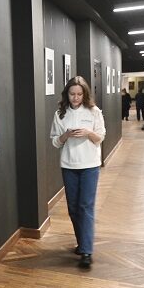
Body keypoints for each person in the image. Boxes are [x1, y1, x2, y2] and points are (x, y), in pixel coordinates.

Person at [51, 76, 106, 269]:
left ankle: (87, 252)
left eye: (79, 94)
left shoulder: (94, 111)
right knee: (73, 208)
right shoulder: (60, 114)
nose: (75, 98)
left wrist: (88, 133)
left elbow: (100, 138)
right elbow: (55, 142)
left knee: (85, 206)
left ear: (85, 94)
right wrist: (65, 135)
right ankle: (82, 243)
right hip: (69, 165)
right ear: (67, 94)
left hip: (90, 165)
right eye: (72, 94)